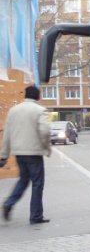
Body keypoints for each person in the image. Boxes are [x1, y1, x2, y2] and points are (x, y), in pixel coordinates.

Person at [0, 86, 52, 224]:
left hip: (19, 153)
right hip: (34, 153)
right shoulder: (40, 110)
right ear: (38, 97)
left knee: (23, 180)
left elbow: (7, 135)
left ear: (25, 95)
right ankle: (36, 216)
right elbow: (45, 132)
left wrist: (3, 156)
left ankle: (9, 203)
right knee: (37, 184)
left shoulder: (13, 111)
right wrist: (47, 148)